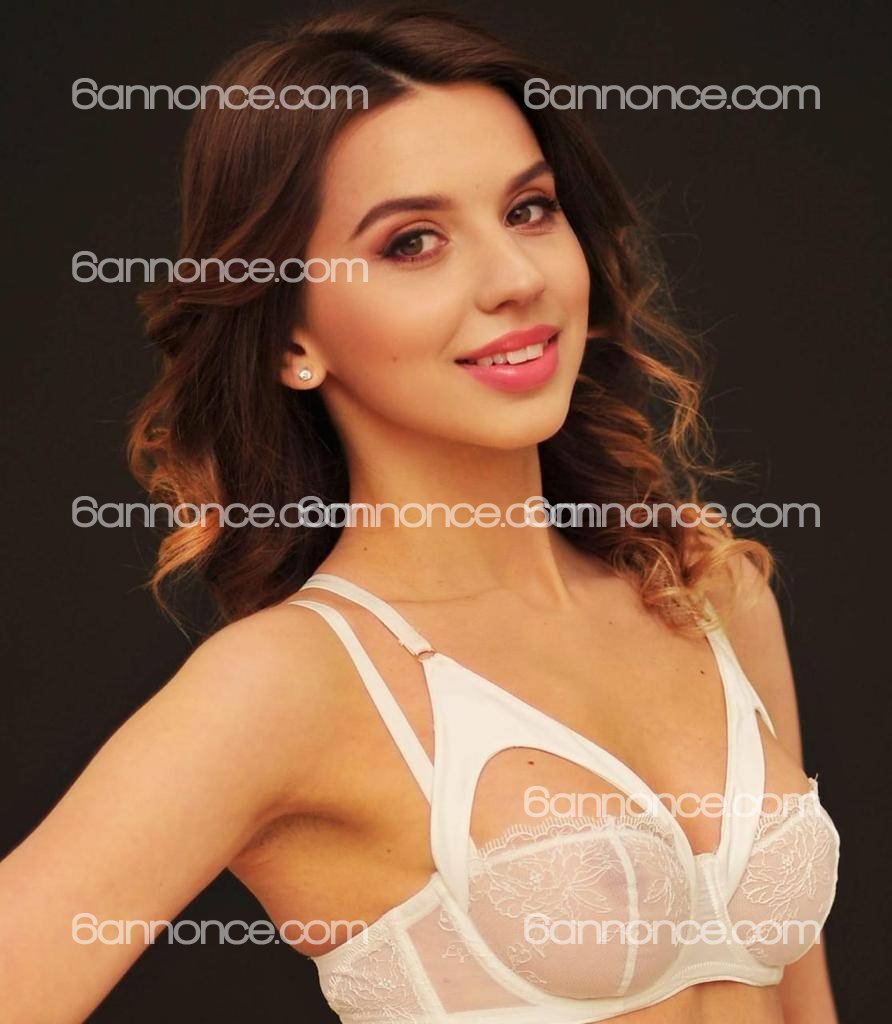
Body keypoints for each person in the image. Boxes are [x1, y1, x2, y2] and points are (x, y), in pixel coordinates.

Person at [0, 4, 840, 1022]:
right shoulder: (288, 683)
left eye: (529, 209)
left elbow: (806, 1003)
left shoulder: (706, 589)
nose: (516, 278)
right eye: (412, 242)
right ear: (291, 337)